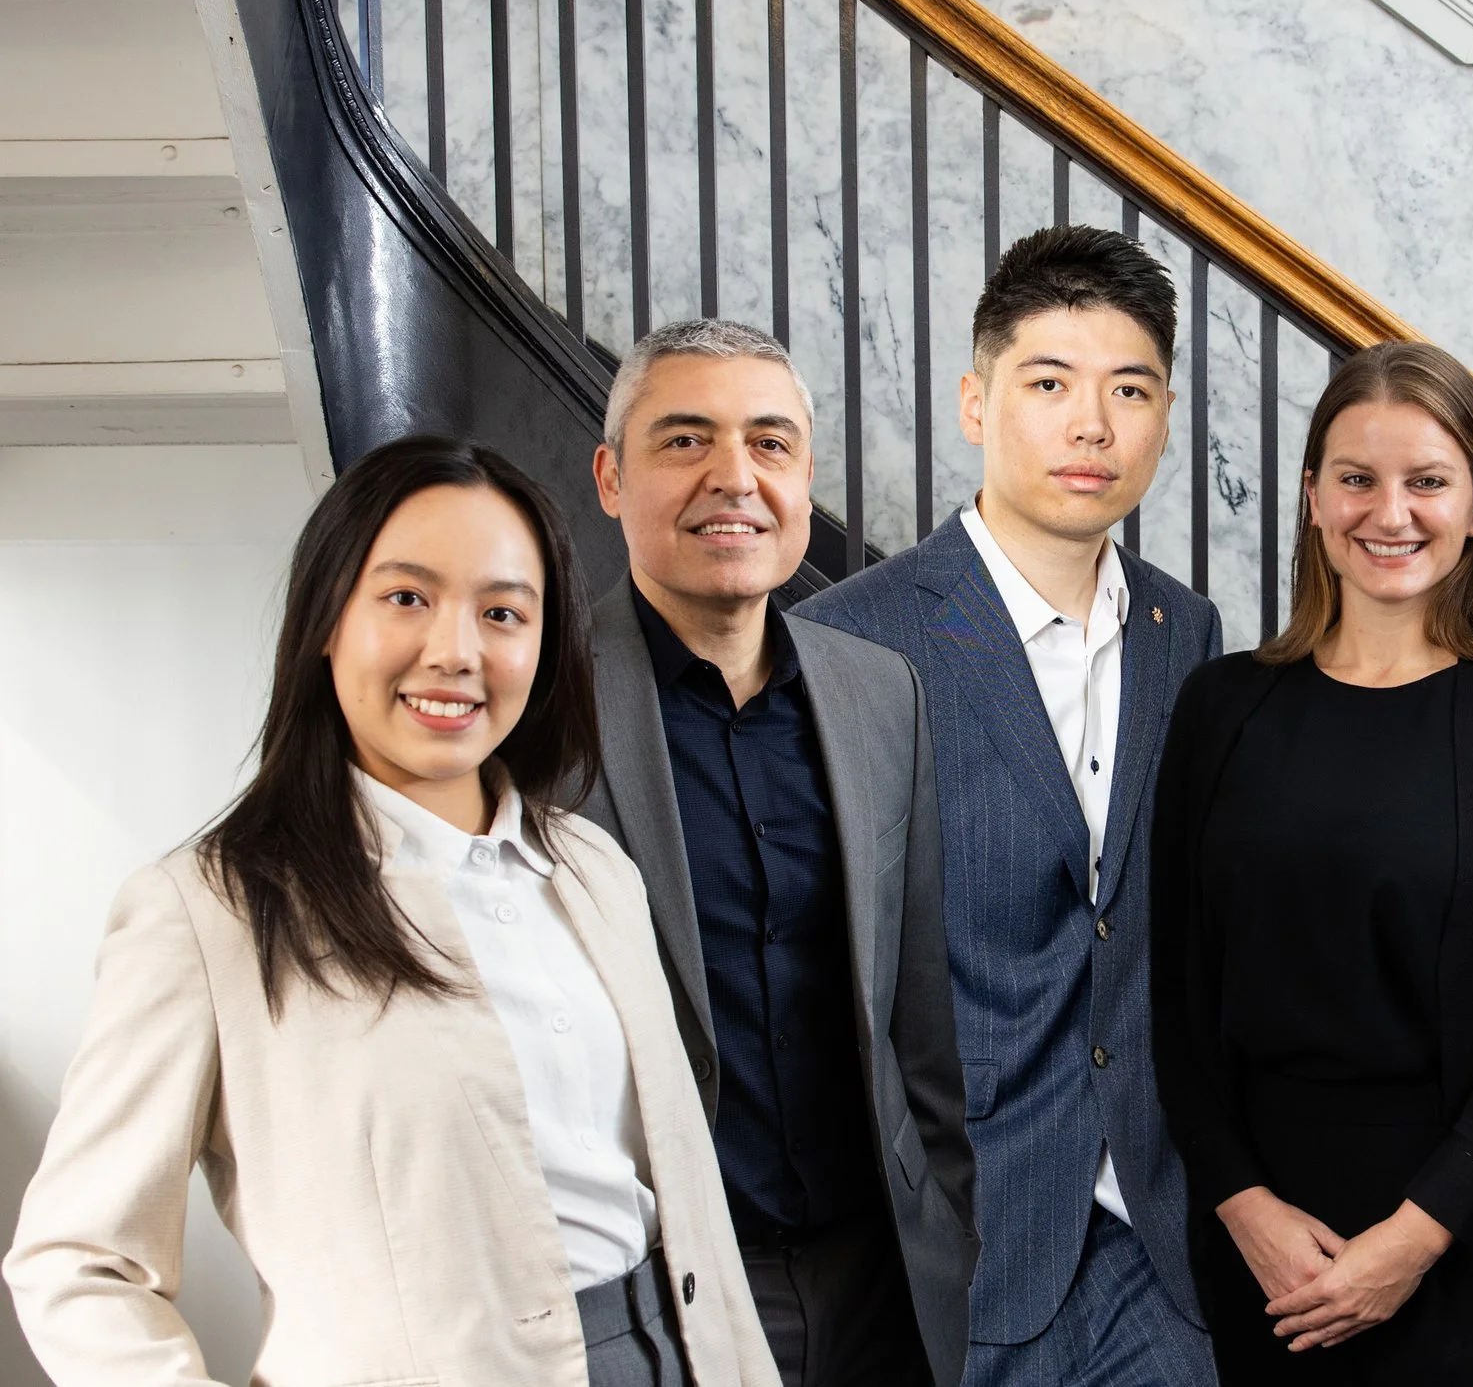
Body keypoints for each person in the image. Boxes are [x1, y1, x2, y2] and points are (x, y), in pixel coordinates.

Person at [5, 436, 777, 1386]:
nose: (455, 652)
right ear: (328, 618)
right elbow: (76, 1263)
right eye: (408, 598)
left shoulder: (592, 868)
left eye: (502, 612)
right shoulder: (209, 912)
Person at [1149, 340, 1473, 1385]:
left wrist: (1415, 1235)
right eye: (1357, 479)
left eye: (1427, 481)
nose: (1390, 512)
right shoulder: (1221, 702)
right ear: (1314, 496)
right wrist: (1242, 1204)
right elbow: (1176, 993)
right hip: (1267, 1245)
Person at [795, 226, 1222, 1387]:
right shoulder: (847, 638)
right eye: (1050, 384)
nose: (1092, 425)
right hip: (959, 1240)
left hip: (1155, 1229)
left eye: (1129, 390)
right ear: (978, 402)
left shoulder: (1186, 631)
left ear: (1164, 416)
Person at [578, 319, 977, 1387]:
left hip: (880, 1286)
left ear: (804, 476)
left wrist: (948, 1214)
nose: (733, 477)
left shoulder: (879, 692)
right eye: (684, 441)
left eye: (769, 442)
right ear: (612, 477)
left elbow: (919, 1019)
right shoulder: (538, 707)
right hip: (659, 1293)